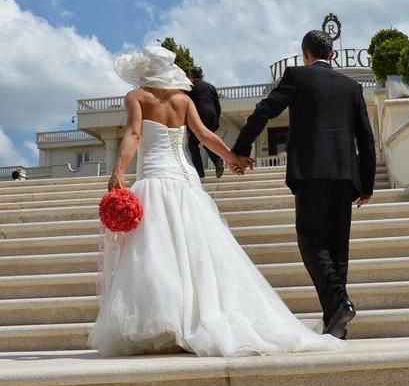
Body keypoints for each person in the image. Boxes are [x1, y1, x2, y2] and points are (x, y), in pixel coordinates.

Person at [87, 42, 344, 357]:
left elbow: (134, 135)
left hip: (154, 180)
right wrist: (234, 157)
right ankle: (196, 318)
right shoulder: (183, 100)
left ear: (144, 70)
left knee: (155, 254)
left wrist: (118, 171)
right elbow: (206, 136)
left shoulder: (136, 98)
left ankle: (167, 323)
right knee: (195, 252)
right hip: (186, 182)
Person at [231, 30, 376, 340]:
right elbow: (366, 137)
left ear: (304, 54)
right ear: (333, 54)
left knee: (311, 241)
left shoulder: (297, 75)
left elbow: (265, 111)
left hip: (312, 172)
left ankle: (339, 303)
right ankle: (336, 324)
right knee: (337, 250)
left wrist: (241, 148)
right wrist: (367, 184)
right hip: (346, 174)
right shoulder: (352, 86)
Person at [187, 66, 225, 178]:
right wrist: (216, 121)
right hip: (211, 117)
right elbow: (218, 107)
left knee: (193, 144)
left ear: (190, 76)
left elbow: (187, 106)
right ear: (202, 75)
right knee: (208, 141)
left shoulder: (189, 88)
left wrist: (188, 127)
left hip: (197, 116)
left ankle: (199, 171)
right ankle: (217, 159)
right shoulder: (211, 87)